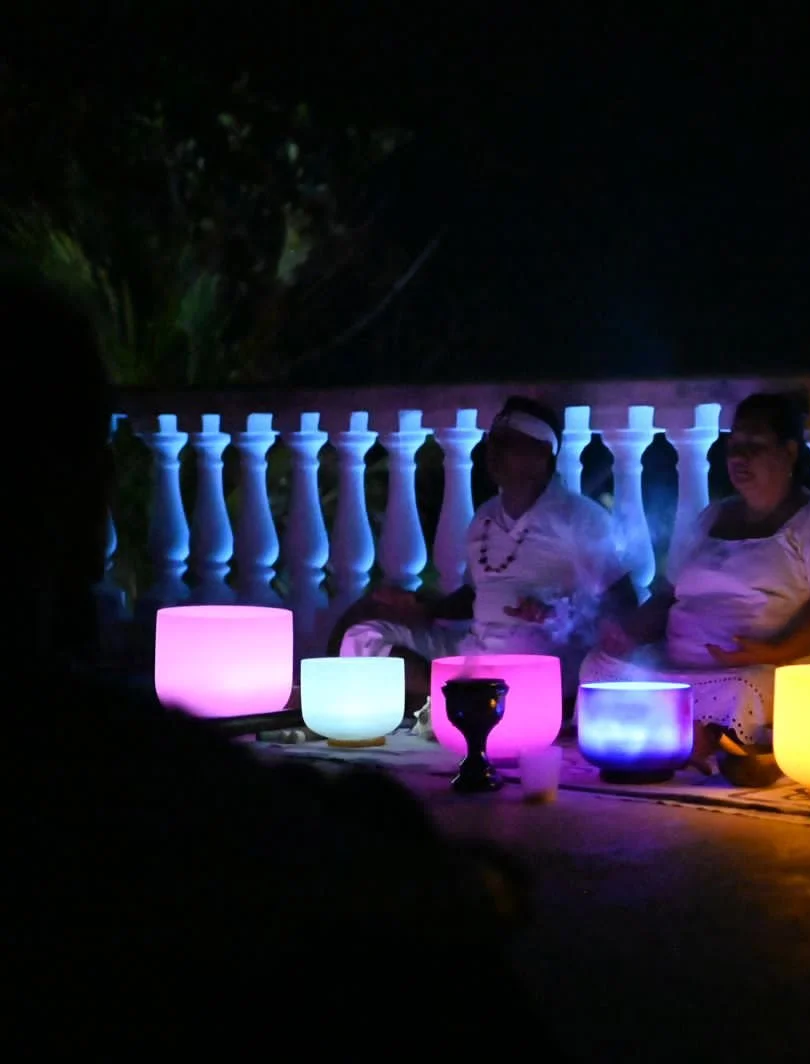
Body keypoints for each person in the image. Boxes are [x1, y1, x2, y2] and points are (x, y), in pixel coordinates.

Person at [8, 266, 546, 1045]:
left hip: (533, 649)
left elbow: (605, 596)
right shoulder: (139, 772)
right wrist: (423, 610)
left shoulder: (133, 765)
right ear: (79, 495)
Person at [581, 392, 810, 778]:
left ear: (788, 452)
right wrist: (628, 632)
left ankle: (690, 738)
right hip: (677, 671)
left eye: (754, 446)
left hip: (757, 670)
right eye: (734, 446)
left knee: (741, 689)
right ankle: (691, 737)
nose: (739, 458)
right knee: (600, 665)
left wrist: (775, 650)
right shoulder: (710, 518)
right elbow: (667, 595)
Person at [336, 397, 635, 708]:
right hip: (474, 651)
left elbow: (623, 602)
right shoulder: (485, 516)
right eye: (493, 442)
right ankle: (458, 694)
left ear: (541, 454)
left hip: (534, 663)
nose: (494, 453)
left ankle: (466, 698)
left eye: (508, 444)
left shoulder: (580, 518)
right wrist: (424, 608)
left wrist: (556, 614)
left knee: (524, 661)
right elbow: (475, 595)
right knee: (362, 637)